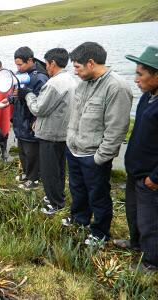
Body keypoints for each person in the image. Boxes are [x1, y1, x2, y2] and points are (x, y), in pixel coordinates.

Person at [64, 42, 132, 246]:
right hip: (74, 150)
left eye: (77, 67)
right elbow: (75, 116)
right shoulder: (82, 84)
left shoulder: (116, 87)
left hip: (94, 156)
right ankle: (80, 219)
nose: (75, 72)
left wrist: (100, 158)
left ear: (91, 63)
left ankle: (100, 232)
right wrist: (70, 142)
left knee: (98, 195)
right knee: (77, 189)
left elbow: (116, 128)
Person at [112, 46, 158, 272]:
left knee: (151, 221)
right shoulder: (147, 97)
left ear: (157, 75)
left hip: (151, 177)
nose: (136, 79)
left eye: (141, 74)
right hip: (135, 171)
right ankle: (136, 244)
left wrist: (155, 178)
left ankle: (151, 263)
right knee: (133, 212)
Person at [25, 48, 77, 214]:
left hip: (50, 135)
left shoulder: (54, 83)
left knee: (49, 171)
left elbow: (38, 109)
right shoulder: (70, 78)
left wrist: (28, 95)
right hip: (63, 132)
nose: (46, 68)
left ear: (53, 63)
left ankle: (55, 204)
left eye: (46, 64)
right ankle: (57, 195)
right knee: (59, 168)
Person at [1, 46, 49, 189]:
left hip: (30, 121)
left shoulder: (40, 78)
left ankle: (33, 179)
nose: (18, 67)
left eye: (20, 64)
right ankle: (27, 173)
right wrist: (9, 100)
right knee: (22, 150)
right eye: (16, 64)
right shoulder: (20, 74)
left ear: (30, 60)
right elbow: (16, 92)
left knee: (32, 152)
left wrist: (35, 120)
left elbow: (43, 103)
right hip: (19, 120)